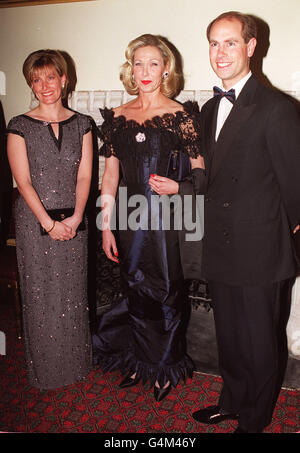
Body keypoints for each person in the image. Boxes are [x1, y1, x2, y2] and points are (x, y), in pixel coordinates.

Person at [179, 12, 300, 433]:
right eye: (214, 43)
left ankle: (254, 418)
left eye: (230, 43)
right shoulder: (210, 107)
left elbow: (296, 189)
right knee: (230, 336)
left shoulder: (277, 109)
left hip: (261, 251)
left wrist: (285, 243)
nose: (221, 52)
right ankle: (231, 400)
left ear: (251, 47)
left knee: (261, 342)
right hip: (222, 246)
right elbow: (210, 177)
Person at [92, 34, 204, 401]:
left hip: (169, 218)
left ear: (166, 68)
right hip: (128, 217)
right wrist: (105, 224)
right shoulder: (118, 117)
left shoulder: (181, 116)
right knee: (135, 290)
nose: (145, 71)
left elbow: (202, 172)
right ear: (130, 68)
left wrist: (178, 185)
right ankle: (140, 359)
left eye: (153, 63)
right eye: (138, 63)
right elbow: (110, 175)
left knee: (168, 292)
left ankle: (165, 366)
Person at [7, 49, 93, 389]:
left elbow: (85, 177)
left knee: (73, 294)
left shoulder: (84, 124)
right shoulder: (19, 125)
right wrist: (48, 223)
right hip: (35, 222)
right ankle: (46, 372)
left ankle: (76, 365)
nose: (45, 86)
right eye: (36, 79)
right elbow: (23, 182)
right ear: (31, 83)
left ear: (64, 79)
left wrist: (75, 217)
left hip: (74, 220)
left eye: (50, 77)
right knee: (41, 296)